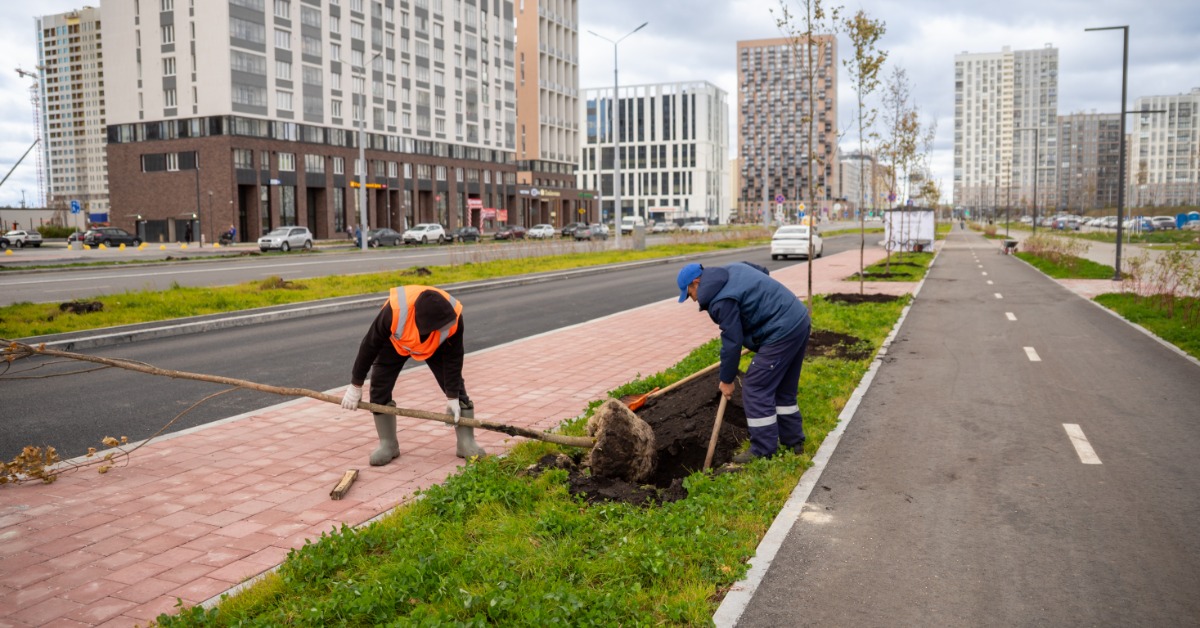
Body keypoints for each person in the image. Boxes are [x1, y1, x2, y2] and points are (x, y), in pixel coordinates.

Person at [677, 262, 811, 463]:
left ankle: (763, 450)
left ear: (696, 282)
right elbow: (763, 272)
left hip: (781, 331)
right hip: (798, 318)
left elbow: (732, 342)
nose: (692, 299)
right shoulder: (733, 268)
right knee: (784, 388)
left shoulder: (719, 300)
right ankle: (793, 442)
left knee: (755, 387)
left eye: (689, 293)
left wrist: (727, 379)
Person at [340, 285, 486, 465]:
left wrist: (453, 397)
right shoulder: (394, 312)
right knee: (379, 386)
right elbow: (369, 345)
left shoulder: (453, 316)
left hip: (436, 347)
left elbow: (454, 359)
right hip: (396, 343)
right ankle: (388, 444)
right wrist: (356, 384)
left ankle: (465, 442)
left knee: (457, 386)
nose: (445, 329)